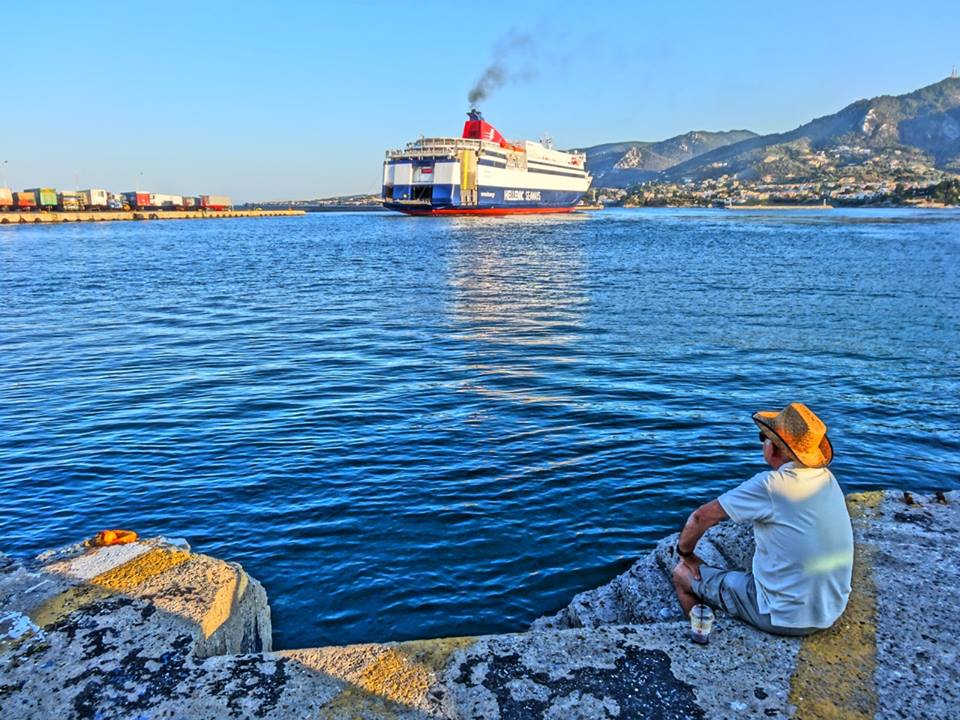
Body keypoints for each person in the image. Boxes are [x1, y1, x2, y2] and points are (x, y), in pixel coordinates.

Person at [671, 403, 853, 636]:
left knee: (682, 574)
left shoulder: (772, 485)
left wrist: (686, 554)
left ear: (774, 448)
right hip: (831, 609)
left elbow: (700, 517)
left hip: (784, 616)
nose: (762, 443)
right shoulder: (826, 479)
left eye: (763, 437)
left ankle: (702, 637)